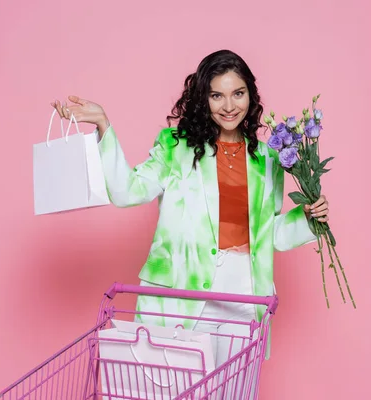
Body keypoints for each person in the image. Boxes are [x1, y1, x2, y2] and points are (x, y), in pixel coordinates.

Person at [51, 49, 330, 369]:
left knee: (230, 390)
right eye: (217, 95)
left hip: (244, 294)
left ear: (251, 97)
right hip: (180, 294)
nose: (229, 106)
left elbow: (270, 234)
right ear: (203, 98)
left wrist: (307, 218)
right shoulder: (175, 146)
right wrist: (103, 125)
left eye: (238, 94)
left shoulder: (268, 158)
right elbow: (127, 192)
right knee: (171, 386)